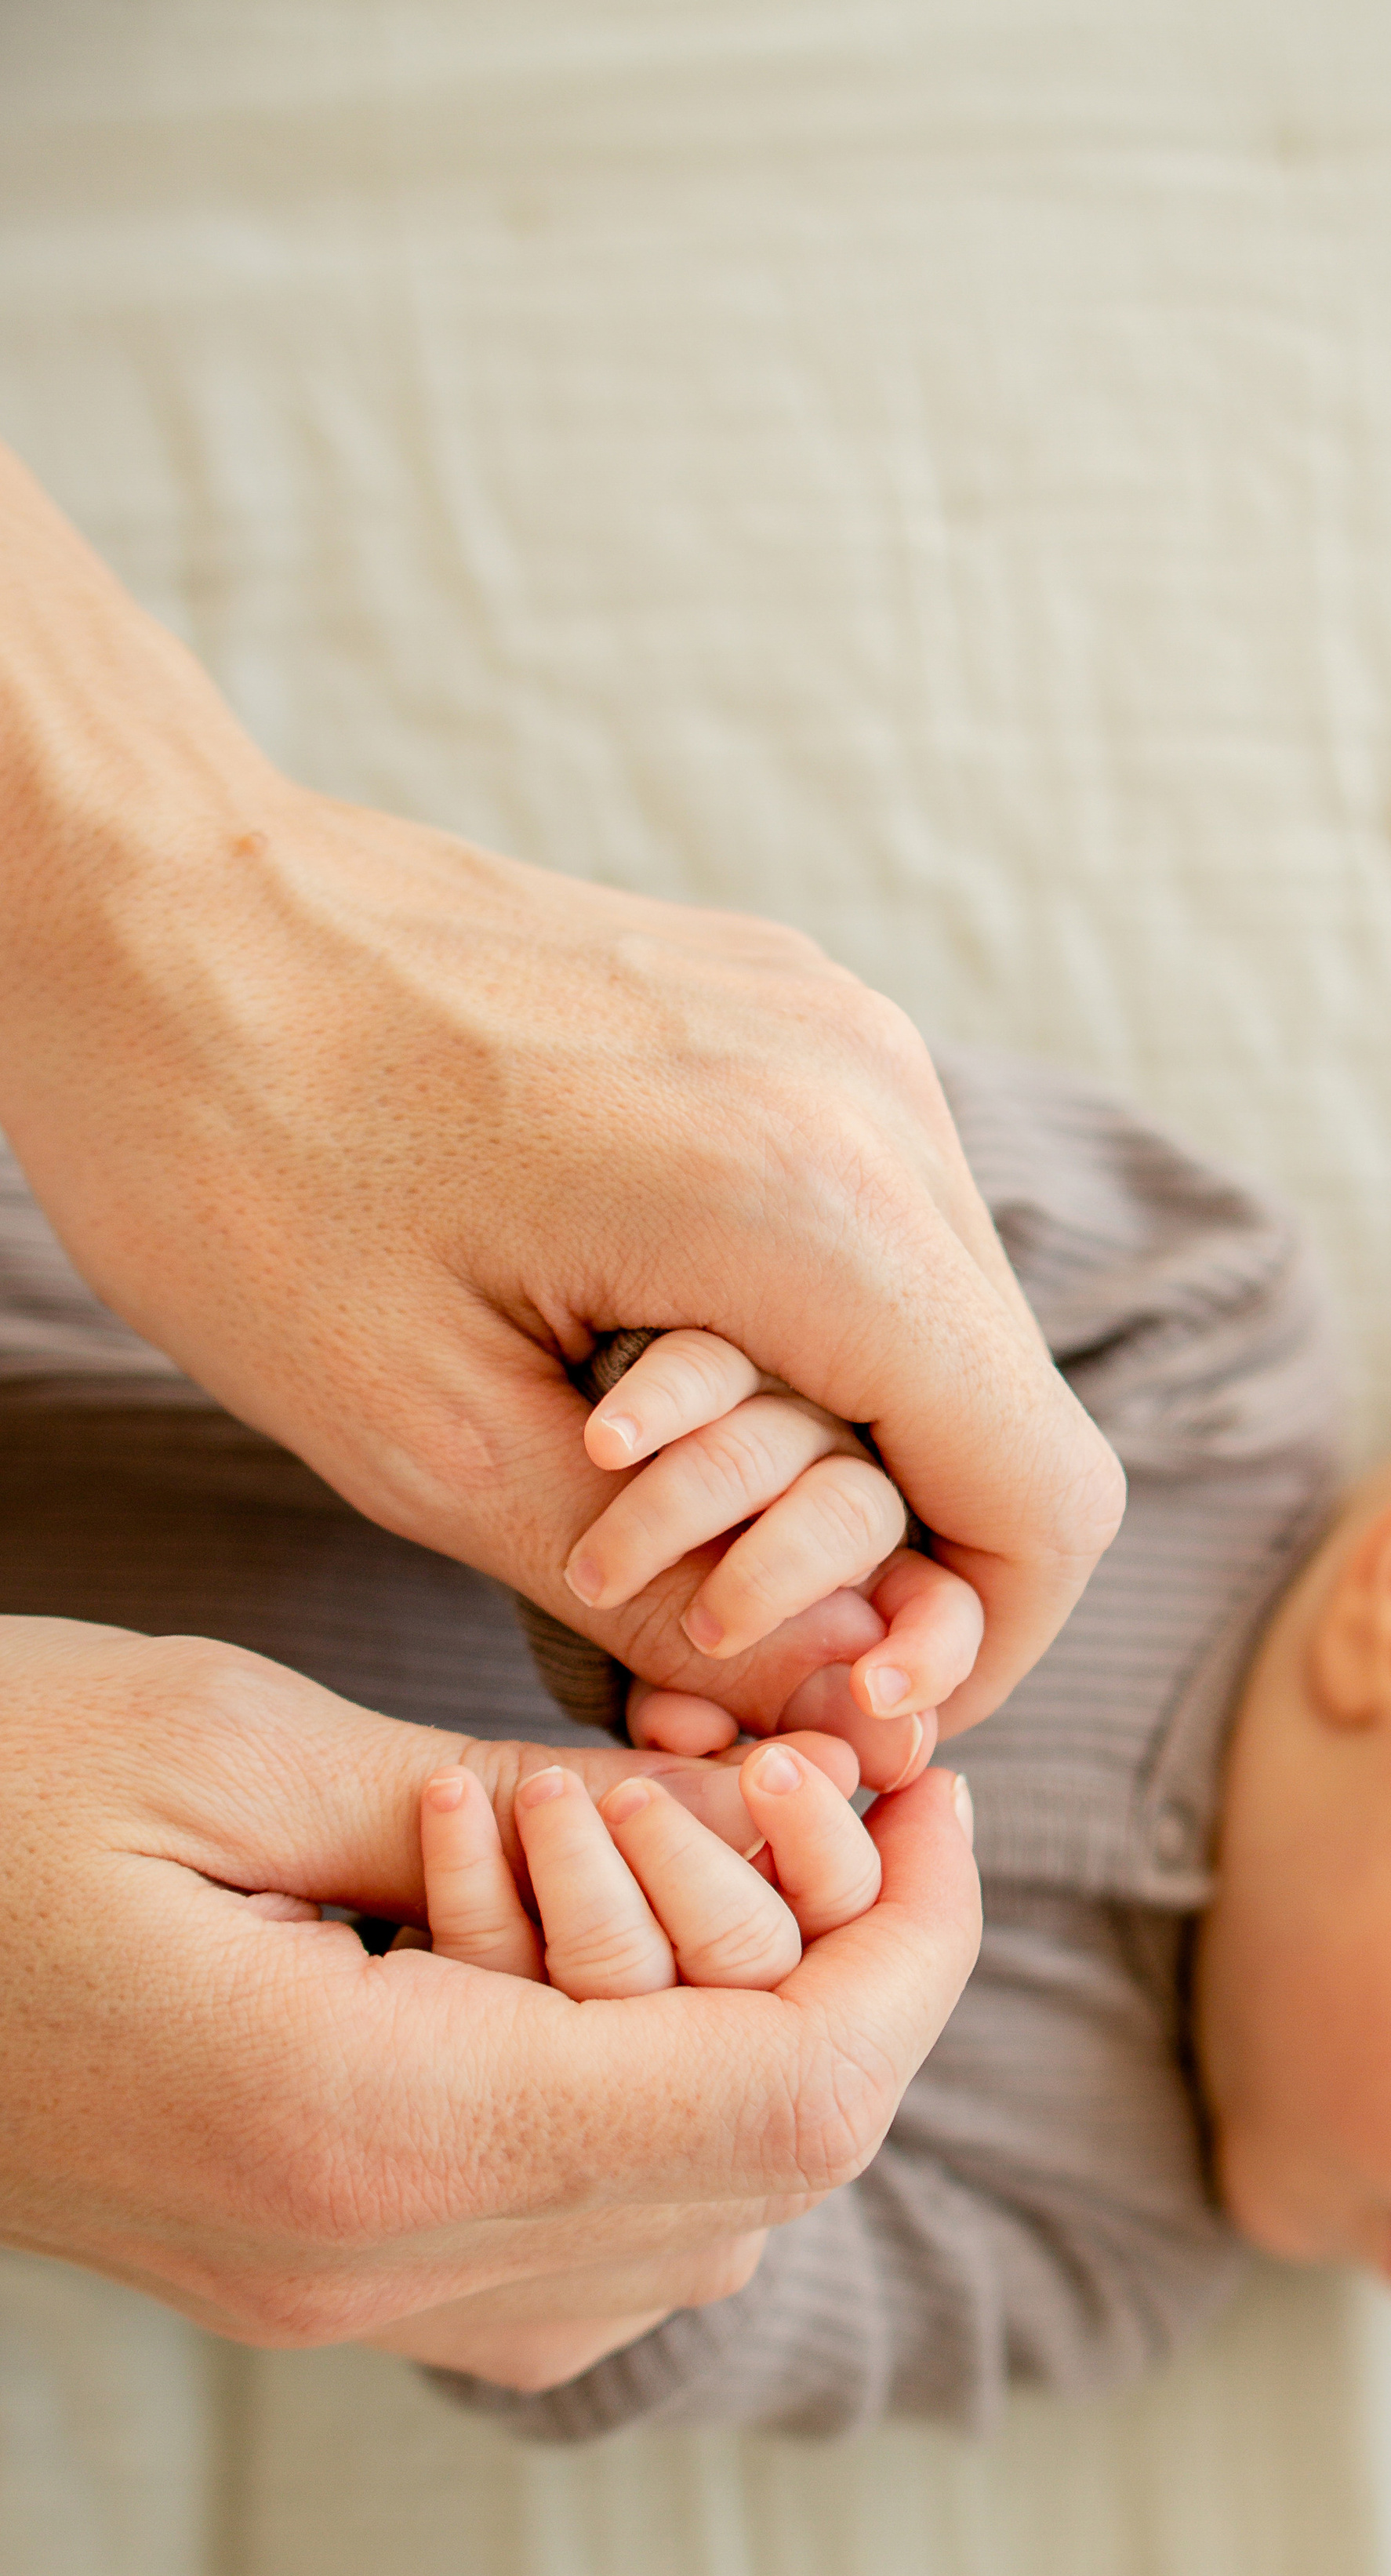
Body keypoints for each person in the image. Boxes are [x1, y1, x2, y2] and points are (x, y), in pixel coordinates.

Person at [391, 1056, 1391, 2435]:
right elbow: (704, 1149)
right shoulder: (1174, 1333)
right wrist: (760, 1415)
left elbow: (609, 2321)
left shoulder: (1090, 2235)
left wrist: (581, 2103)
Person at [0, 445, 1124, 2359]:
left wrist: (582, 1968)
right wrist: (744, 1442)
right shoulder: (1213, 1341)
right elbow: (800, 1218)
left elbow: (641, 2247)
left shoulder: (1085, 2241)